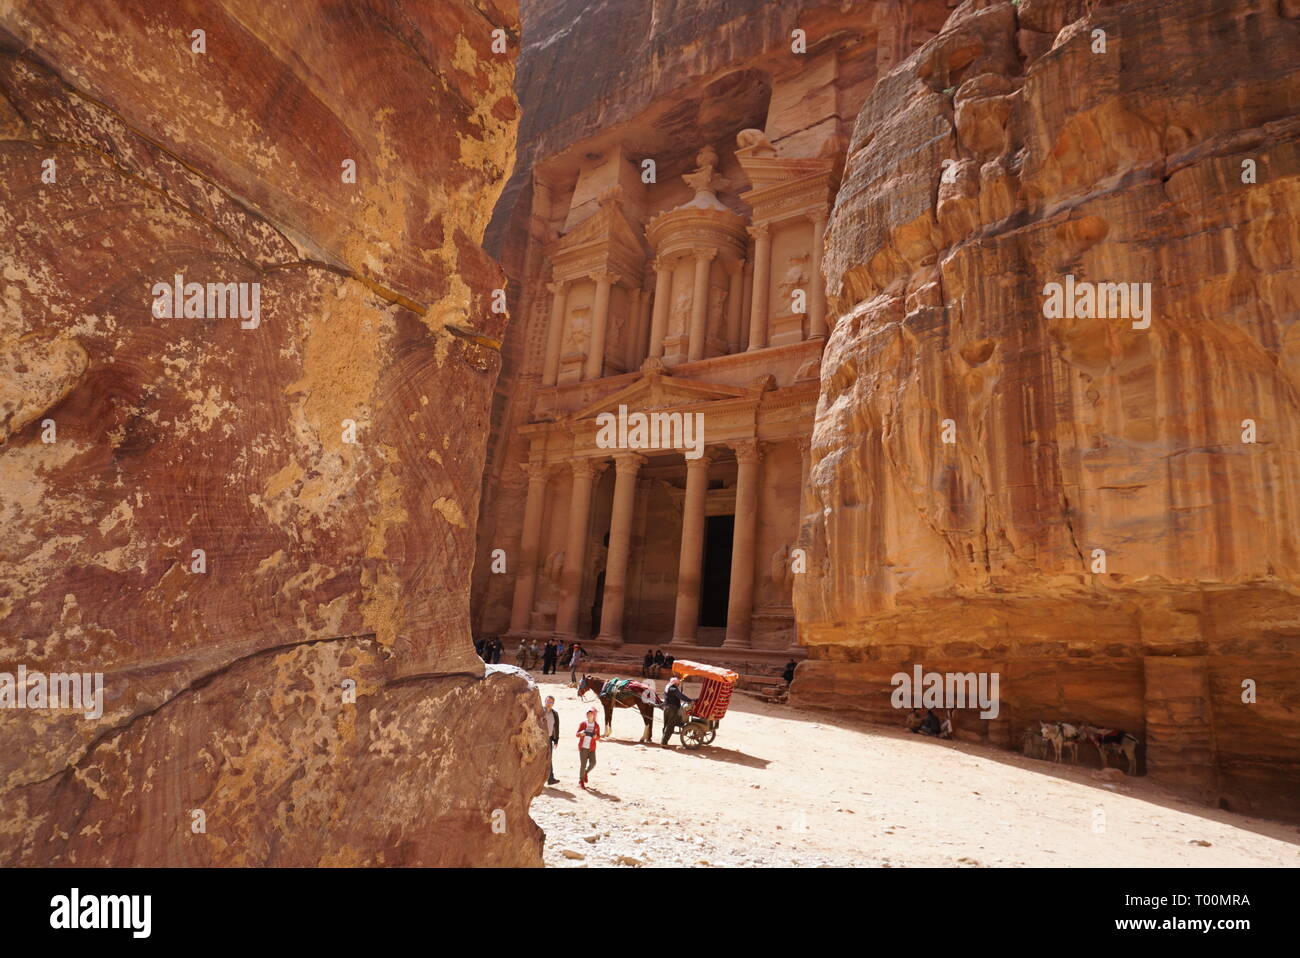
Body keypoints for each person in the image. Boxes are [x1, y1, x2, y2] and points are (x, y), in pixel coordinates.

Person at [660, 675, 694, 746]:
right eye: (678, 683)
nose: (678, 684)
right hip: (672, 709)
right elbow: (680, 696)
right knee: (670, 726)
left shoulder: (667, 687)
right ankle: (664, 743)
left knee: (666, 725)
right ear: (675, 683)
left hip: (666, 708)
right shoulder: (674, 689)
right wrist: (690, 700)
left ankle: (663, 740)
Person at [576, 708, 600, 788]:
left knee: (593, 763)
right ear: (586, 715)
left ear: (594, 716)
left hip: (592, 748)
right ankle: (581, 780)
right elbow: (577, 734)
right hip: (583, 747)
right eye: (588, 714)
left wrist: (595, 737)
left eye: (591, 714)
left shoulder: (596, 726)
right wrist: (580, 733)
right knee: (583, 765)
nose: (589, 715)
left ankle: (585, 773)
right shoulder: (583, 724)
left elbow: (598, 737)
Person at [543, 695, 560, 785]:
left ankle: (550, 778)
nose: (549, 704)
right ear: (544, 702)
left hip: (549, 739)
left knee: (549, 758)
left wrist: (556, 740)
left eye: (551, 702)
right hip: (540, 739)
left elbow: (556, 727)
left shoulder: (555, 714)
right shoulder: (540, 711)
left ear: (553, 704)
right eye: (548, 702)